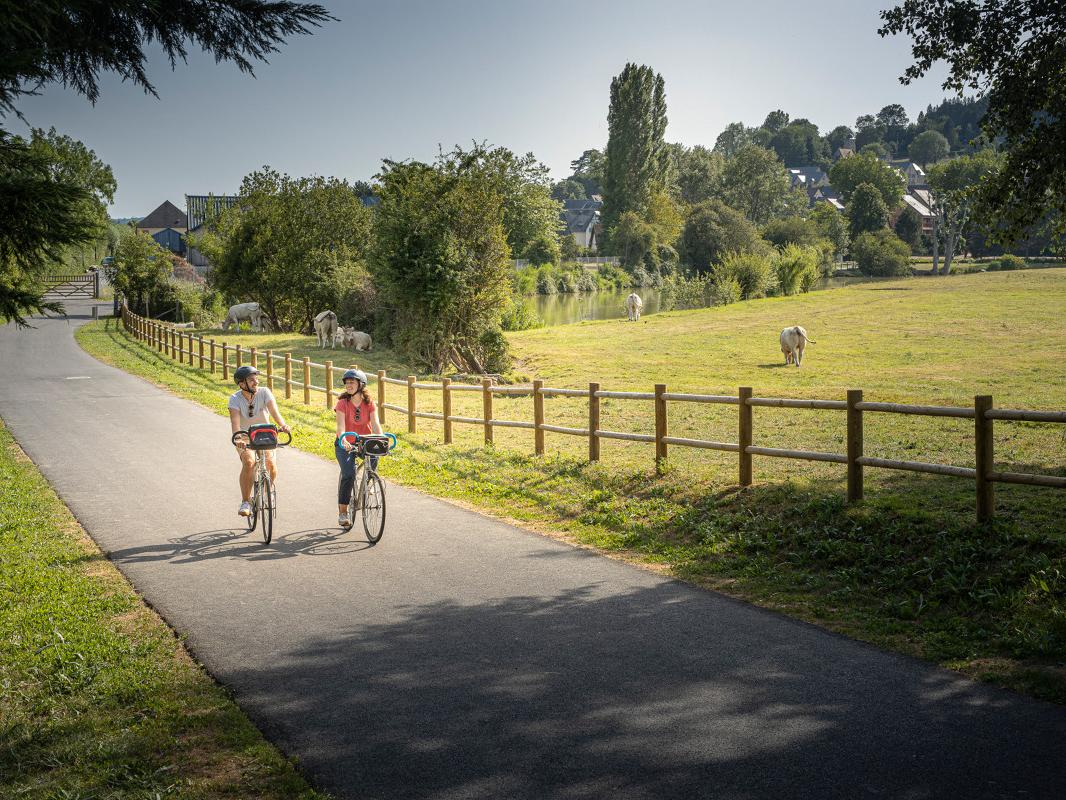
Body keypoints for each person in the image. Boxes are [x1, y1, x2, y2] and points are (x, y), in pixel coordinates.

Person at [229, 365, 290, 517]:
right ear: (242, 384)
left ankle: (265, 493)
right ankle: (245, 501)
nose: (256, 382)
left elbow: (275, 412)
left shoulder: (264, 392)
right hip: (244, 437)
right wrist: (237, 438)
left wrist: (283, 425)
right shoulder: (235, 399)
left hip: (265, 434)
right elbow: (235, 424)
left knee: (270, 464)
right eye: (251, 380)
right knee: (249, 462)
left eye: (256, 378)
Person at [334, 368, 383, 528]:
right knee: (349, 474)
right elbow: (340, 427)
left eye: (352, 382)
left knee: (374, 457)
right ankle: (343, 512)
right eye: (347, 382)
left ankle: (367, 485)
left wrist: (381, 438)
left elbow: (375, 425)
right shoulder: (342, 403)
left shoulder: (369, 403)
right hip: (345, 443)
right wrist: (343, 440)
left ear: (361, 385)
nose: (348, 385)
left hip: (363, 441)